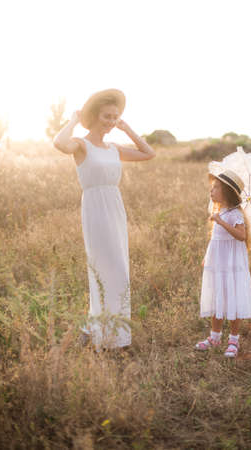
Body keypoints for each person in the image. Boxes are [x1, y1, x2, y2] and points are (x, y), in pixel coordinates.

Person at [53, 89, 155, 350]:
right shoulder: (81, 144)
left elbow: (148, 153)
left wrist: (127, 128)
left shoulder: (113, 147)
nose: (111, 121)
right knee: (106, 271)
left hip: (115, 209)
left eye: (115, 116)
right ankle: (104, 334)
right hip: (95, 210)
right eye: (107, 116)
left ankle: (95, 329)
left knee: (119, 270)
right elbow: (59, 143)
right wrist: (75, 119)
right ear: (94, 115)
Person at [195, 169, 251, 358]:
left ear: (227, 191)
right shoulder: (220, 211)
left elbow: (241, 236)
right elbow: (215, 240)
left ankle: (233, 340)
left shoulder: (234, 214)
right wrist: (208, 257)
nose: (211, 192)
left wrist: (221, 222)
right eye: (211, 189)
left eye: (215, 188)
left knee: (232, 298)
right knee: (217, 297)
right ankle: (214, 337)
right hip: (218, 263)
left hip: (232, 264)